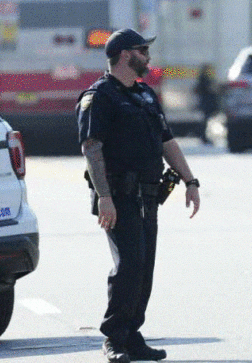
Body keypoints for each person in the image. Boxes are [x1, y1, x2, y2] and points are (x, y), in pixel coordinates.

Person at [76, 29, 201, 363]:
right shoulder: (100, 96)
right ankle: (114, 339)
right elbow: (92, 147)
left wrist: (191, 180)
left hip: (148, 197)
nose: (148, 56)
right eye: (143, 50)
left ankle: (132, 336)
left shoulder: (145, 95)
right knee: (129, 265)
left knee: (144, 268)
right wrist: (104, 196)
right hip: (117, 196)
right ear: (125, 55)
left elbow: (167, 141)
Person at [194, 63, 218, 144]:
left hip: (206, 102)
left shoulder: (203, 78)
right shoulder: (204, 79)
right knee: (205, 121)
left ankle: (204, 136)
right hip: (207, 102)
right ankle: (203, 137)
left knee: (206, 120)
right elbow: (209, 89)